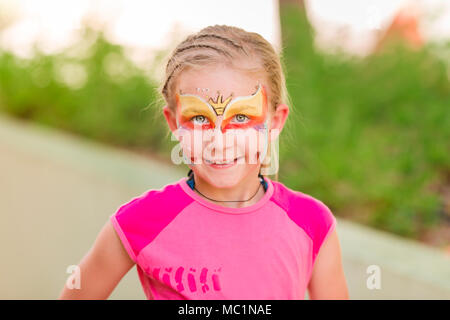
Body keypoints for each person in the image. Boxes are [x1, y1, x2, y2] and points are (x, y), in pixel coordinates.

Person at [59, 25, 349, 300]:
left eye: (241, 117)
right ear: (173, 122)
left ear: (275, 121)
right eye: (199, 119)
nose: (219, 141)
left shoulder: (311, 222)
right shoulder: (141, 220)